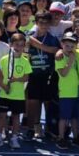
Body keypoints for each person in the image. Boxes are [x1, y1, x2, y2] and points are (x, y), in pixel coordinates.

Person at [25, 12, 60, 141]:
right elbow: (25, 48)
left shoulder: (52, 38)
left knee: (47, 102)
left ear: (49, 24)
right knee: (33, 103)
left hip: (48, 75)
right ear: (36, 23)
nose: (43, 25)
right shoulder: (29, 36)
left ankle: (49, 128)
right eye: (40, 22)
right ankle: (33, 128)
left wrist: (41, 46)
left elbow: (56, 50)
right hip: (33, 74)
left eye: (46, 22)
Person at [0, 31, 32, 149]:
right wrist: (4, 86)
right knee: (2, 116)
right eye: (16, 44)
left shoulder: (25, 61)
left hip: (18, 95)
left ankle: (14, 137)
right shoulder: (4, 59)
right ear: (11, 45)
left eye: (21, 45)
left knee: (16, 117)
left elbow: (26, 77)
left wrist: (16, 79)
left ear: (24, 46)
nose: (19, 47)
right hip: (4, 94)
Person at [54, 32, 79, 148]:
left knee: (75, 117)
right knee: (64, 117)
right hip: (65, 92)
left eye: (72, 46)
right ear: (62, 44)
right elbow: (64, 74)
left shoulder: (76, 54)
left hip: (77, 92)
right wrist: (70, 61)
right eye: (67, 46)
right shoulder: (60, 57)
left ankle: (76, 137)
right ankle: (61, 137)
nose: (70, 48)